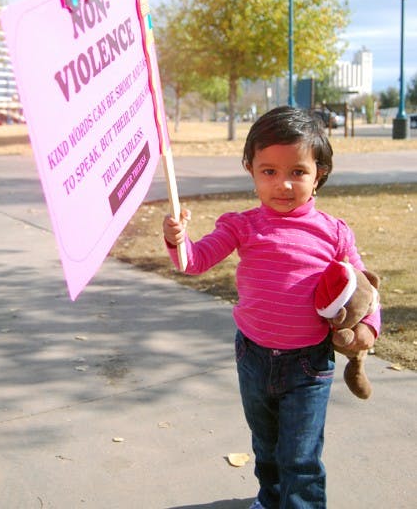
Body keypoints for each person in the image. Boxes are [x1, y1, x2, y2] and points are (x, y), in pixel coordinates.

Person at [162, 106, 380, 509]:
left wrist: (369, 327)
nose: (283, 184)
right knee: (265, 445)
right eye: (269, 171)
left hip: (308, 364)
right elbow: (195, 262)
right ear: (250, 169)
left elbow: (363, 287)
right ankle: (270, 498)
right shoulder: (241, 225)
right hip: (253, 356)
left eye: (297, 171)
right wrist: (178, 240)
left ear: (319, 175)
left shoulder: (334, 232)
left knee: (300, 455)